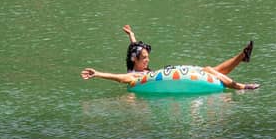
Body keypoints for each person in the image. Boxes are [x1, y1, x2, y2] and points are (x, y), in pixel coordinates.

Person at [81, 24, 258, 90]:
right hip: (159, 83)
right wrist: (97, 74)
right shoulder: (135, 75)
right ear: (135, 60)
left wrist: (131, 35)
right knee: (210, 70)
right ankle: (240, 86)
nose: (147, 60)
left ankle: (242, 56)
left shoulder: (136, 61)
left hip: (166, 76)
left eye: (147, 57)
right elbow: (120, 78)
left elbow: (133, 48)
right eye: (144, 58)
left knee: (210, 70)